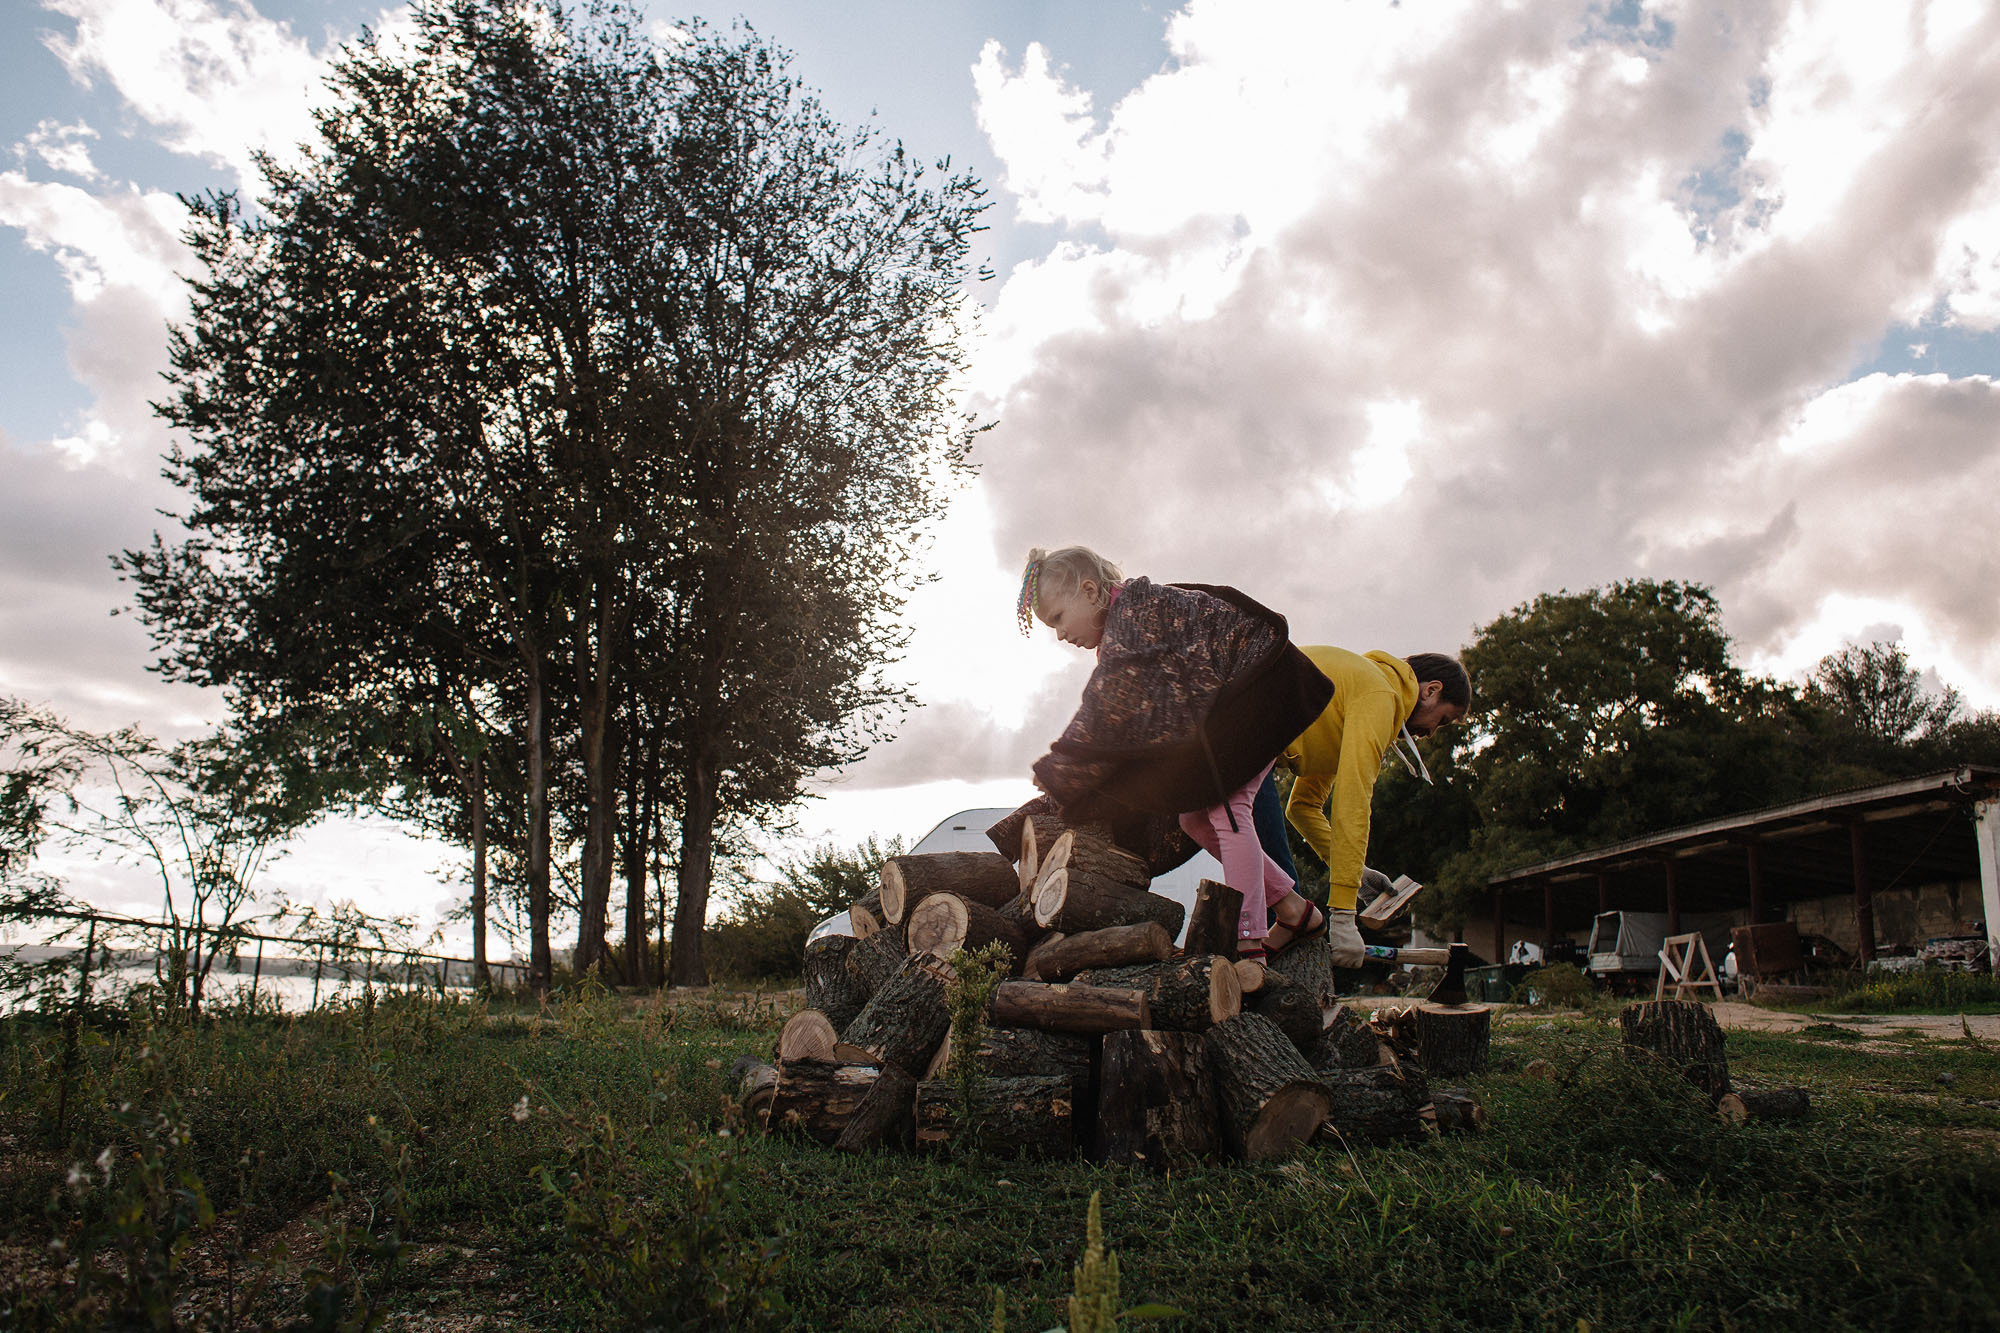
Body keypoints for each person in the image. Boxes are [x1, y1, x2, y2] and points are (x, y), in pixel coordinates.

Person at [1018, 546, 1334, 959]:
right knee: (1194, 821)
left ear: (1090, 591)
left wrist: (1062, 766)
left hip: (1261, 688)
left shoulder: (1136, 614)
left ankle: (1247, 941)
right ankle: (1295, 912)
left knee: (1228, 811)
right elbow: (1135, 715)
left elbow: (1108, 704)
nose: (1060, 634)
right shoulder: (1127, 620)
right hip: (1234, 701)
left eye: (1059, 618)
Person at [1258, 648, 1471, 965]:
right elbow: (1353, 804)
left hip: (1247, 738)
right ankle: (1260, 964)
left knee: (1268, 872)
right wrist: (1344, 916)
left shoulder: (1357, 692)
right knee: (1284, 889)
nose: (1429, 734)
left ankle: (1253, 959)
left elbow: (1303, 807)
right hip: (1242, 728)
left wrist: (1357, 874)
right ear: (1431, 690)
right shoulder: (1380, 696)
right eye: (1442, 720)